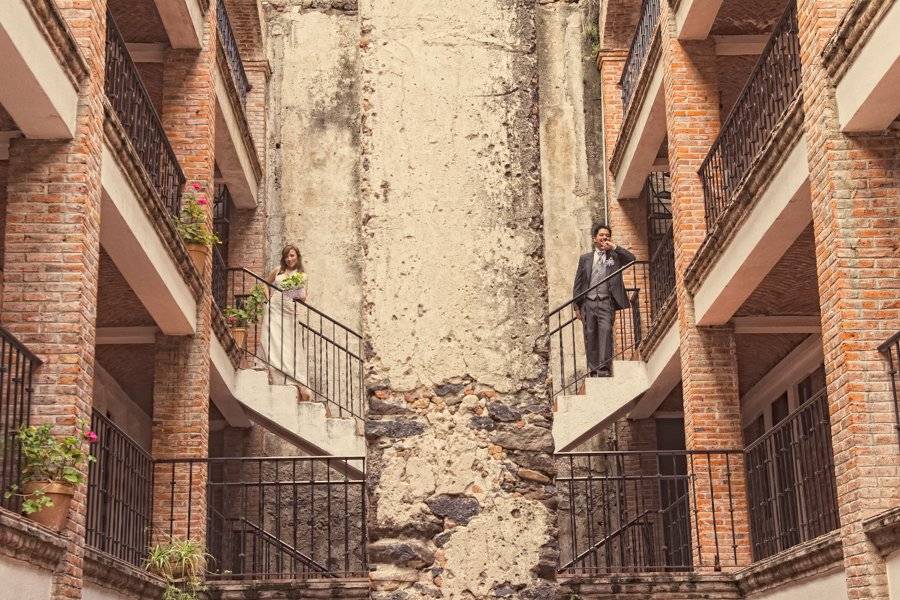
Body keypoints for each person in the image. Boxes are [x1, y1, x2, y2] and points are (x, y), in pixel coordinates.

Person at [572, 224, 635, 377]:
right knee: (590, 334)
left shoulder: (614, 256)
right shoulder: (585, 259)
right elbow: (578, 283)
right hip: (588, 302)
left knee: (606, 332)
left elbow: (632, 259)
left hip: (607, 301)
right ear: (595, 238)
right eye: (601, 235)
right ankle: (593, 369)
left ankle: (604, 368)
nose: (605, 237)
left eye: (607, 235)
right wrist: (576, 307)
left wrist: (615, 247)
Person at [262, 244, 311, 399]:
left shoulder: (302, 275)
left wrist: (293, 290)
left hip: (289, 310)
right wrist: (268, 298)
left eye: (292, 255)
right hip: (275, 308)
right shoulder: (278, 271)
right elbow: (265, 283)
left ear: (297, 256)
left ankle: (291, 376)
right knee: (272, 340)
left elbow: (303, 297)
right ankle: (274, 373)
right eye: (286, 256)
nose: (289, 259)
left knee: (289, 344)